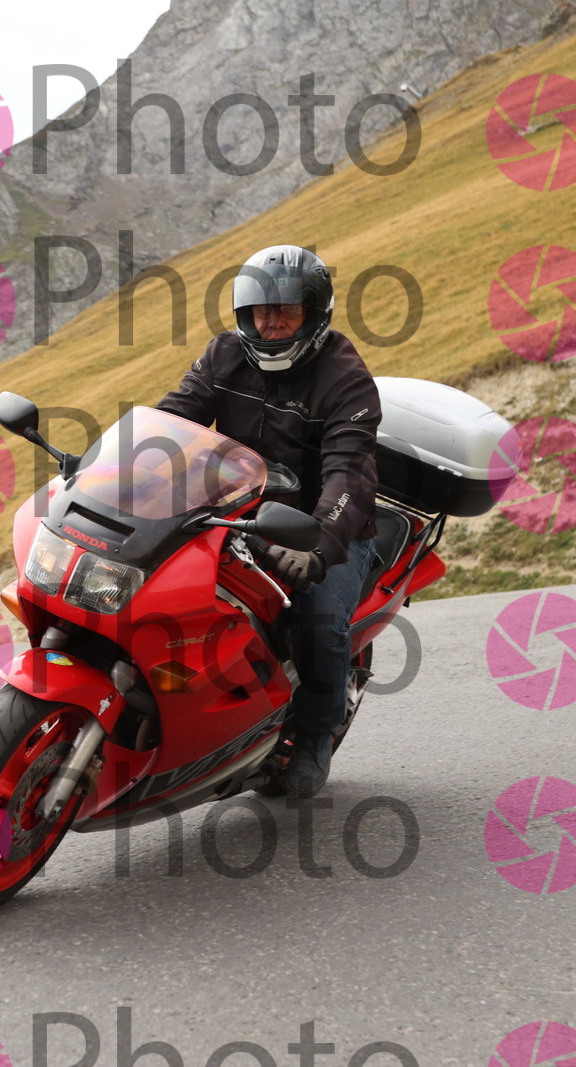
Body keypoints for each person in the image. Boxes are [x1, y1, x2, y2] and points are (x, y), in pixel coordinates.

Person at [156, 244, 382, 798]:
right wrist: (114, 467)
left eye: (287, 311)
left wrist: (318, 543)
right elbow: (172, 420)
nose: (272, 323)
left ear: (315, 315)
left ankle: (315, 732)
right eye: (261, 310)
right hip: (236, 511)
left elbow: (349, 476)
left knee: (318, 618)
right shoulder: (224, 355)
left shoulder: (346, 380)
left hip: (323, 525)